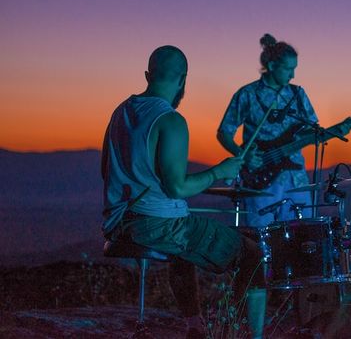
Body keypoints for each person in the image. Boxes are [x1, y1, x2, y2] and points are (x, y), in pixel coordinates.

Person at [101, 45, 266, 339]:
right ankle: (243, 334)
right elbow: (177, 188)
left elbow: (106, 171)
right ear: (184, 80)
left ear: (147, 74)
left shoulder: (120, 112)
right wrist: (219, 171)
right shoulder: (171, 120)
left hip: (119, 223)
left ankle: (195, 326)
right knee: (253, 255)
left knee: (188, 242)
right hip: (158, 226)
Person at [217, 33, 351, 227]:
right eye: (288, 69)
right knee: (261, 238)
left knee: (302, 237)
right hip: (260, 181)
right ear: (272, 66)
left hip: (296, 179)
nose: (292, 75)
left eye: (294, 69)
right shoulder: (247, 94)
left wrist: (335, 131)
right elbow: (224, 132)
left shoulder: (298, 94)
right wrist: (243, 156)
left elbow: (309, 133)